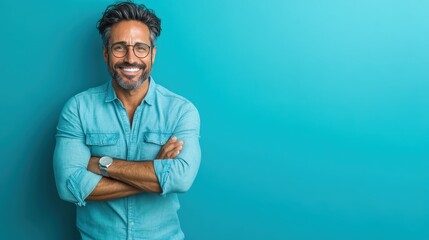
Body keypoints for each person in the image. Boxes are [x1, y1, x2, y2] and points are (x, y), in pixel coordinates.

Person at [53, 1, 201, 239]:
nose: (130, 58)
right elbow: (69, 187)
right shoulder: (78, 109)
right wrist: (155, 174)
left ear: (153, 54)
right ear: (105, 53)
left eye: (140, 48)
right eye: (120, 48)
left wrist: (103, 164)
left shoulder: (181, 111)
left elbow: (180, 179)